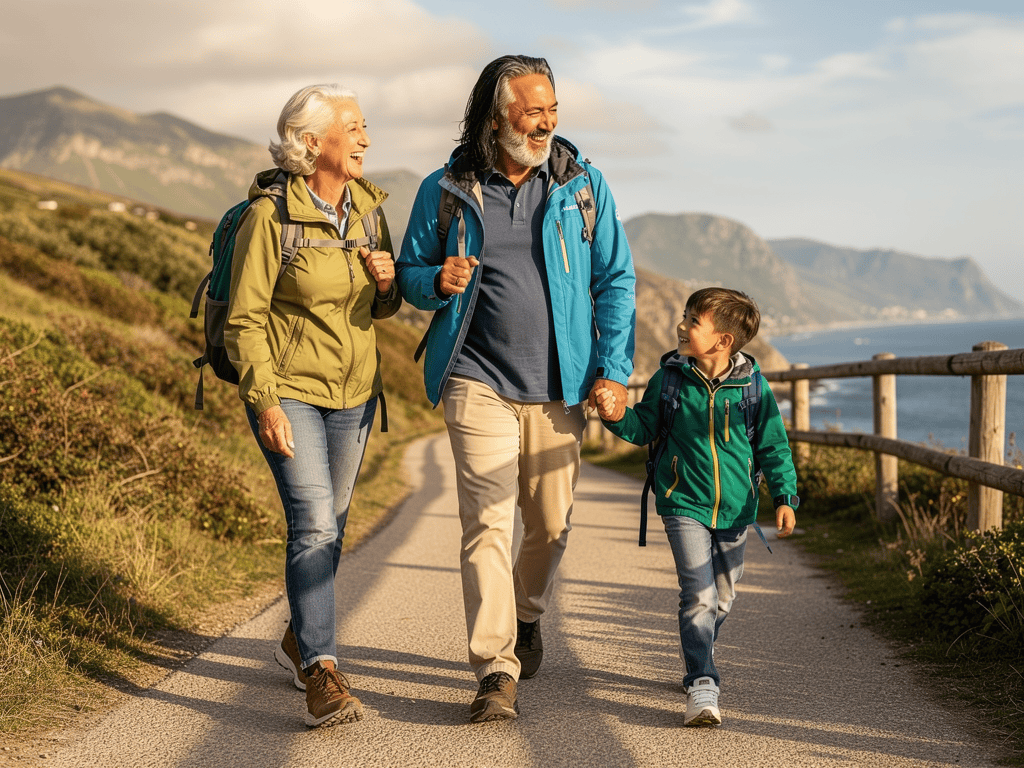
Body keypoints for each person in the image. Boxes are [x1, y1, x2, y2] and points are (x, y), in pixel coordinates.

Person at [396, 55, 636, 722]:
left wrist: (613, 370)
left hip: (560, 387)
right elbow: (411, 271)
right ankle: (495, 669)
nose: (547, 123)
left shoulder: (582, 186)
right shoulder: (445, 189)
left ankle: (527, 615)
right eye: (534, 111)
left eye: (553, 110)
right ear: (498, 115)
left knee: (551, 525)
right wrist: (433, 282)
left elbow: (615, 280)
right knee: (487, 524)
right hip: (476, 380)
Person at [224, 84, 401, 728]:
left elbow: (379, 311)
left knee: (336, 519)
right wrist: (265, 401)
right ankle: (322, 671)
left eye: (363, 126)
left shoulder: (369, 212)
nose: (365, 138)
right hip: (290, 390)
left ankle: (301, 633)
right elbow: (245, 321)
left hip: (354, 396)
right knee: (315, 523)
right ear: (311, 142)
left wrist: (386, 286)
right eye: (352, 127)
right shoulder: (269, 218)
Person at [595, 287, 798, 727]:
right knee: (699, 594)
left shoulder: (752, 388)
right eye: (685, 317)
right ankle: (702, 681)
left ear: (723, 340)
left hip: (737, 511)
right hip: (681, 502)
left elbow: (773, 446)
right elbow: (643, 425)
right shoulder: (668, 379)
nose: (681, 327)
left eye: (692, 321)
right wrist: (615, 416)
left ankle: (699, 646)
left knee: (722, 598)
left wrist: (785, 497)